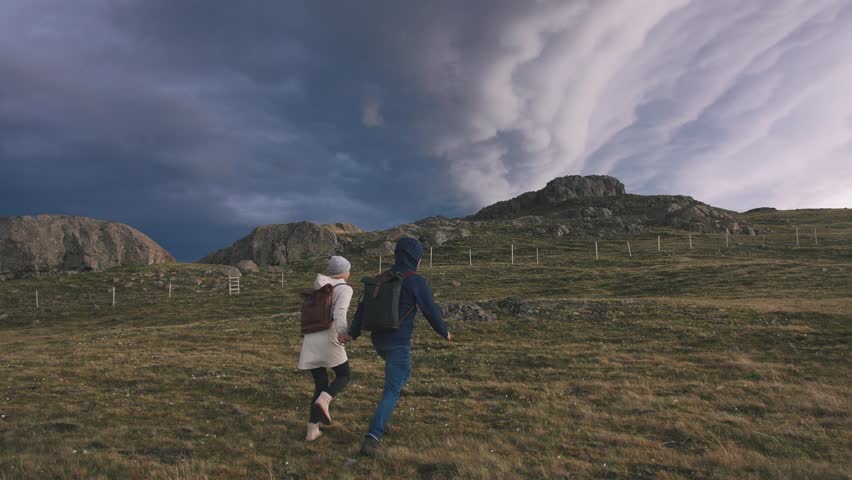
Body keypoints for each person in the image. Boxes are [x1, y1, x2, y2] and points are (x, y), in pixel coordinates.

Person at [343, 237, 453, 457]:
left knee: (404, 372)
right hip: (398, 342)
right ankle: (372, 438)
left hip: (379, 341)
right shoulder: (414, 280)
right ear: (416, 258)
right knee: (392, 390)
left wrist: (352, 333)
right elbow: (430, 309)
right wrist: (444, 332)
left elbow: (363, 309)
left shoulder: (382, 278)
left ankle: (382, 419)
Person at [297, 255, 355, 442]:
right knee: (344, 375)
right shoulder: (344, 288)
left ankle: (312, 429)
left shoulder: (320, 287)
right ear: (345, 272)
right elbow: (339, 312)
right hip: (328, 336)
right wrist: (343, 332)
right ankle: (326, 399)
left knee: (320, 383)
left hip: (311, 338)